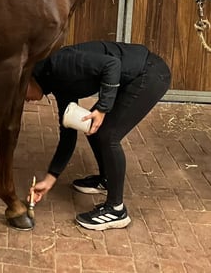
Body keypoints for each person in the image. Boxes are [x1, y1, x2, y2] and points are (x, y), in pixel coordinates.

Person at [25, 41, 170, 230]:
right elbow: (68, 135)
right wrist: (49, 181)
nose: (24, 100)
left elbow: (112, 65)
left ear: (26, 78)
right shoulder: (56, 82)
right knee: (92, 126)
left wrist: (103, 107)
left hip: (150, 73)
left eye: (20, 93)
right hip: (133, 77)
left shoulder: (60, 64)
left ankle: (116, 210)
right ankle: (107, 178)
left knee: (108, 135)